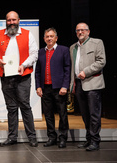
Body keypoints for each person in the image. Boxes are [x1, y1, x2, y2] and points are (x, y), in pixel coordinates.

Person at [0, 11, 38, 147]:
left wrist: (24, 64)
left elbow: (34, 54)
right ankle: (12, 137)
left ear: (19, 20)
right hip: (6, 76)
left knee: (25, 106)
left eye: (13, 20)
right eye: (9, 20)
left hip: (23, 76)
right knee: (11, 108)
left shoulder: (27, 34)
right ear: (6, 21)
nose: (11, 22)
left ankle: (32, 137)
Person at [70, 22, 106, 151]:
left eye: (83, 30)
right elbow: (72, 68)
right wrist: (71, 85)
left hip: (93, 83)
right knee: (85, 114)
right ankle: (89, 139)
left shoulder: (97, 43)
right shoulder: (73, 47)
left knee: (94, 114)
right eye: (78, 30)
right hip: (79, 84)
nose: (80, 32)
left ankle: (95, 141)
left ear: (88, 31)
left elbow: (101, 61)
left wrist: (86, 71)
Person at [35, 28, 71, 148]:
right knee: (48, 114)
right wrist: (38, 86)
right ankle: (51, 137)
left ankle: (62, 138)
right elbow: (38, 71)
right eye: (47, 36)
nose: (49, 38)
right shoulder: (40, 52)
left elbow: (67, 69)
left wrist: (65, 86)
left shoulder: (63, 50)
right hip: (46, 88)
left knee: (62, 114)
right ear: (44, 39)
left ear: (56, 38)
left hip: (59, 88)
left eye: (51, 36)